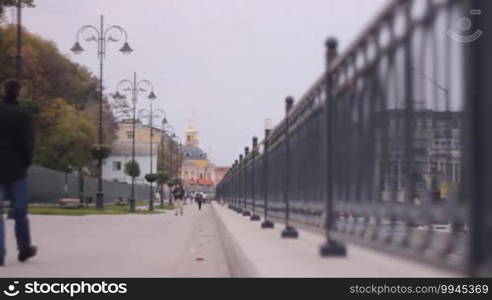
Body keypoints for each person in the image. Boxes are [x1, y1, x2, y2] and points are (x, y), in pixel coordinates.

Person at [0, 79, 37, 266]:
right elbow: (28, 145)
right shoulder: (23, 116)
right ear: (19, 93)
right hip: (17, 171)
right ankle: (24, 248)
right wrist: (26, 163)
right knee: (20, 212)